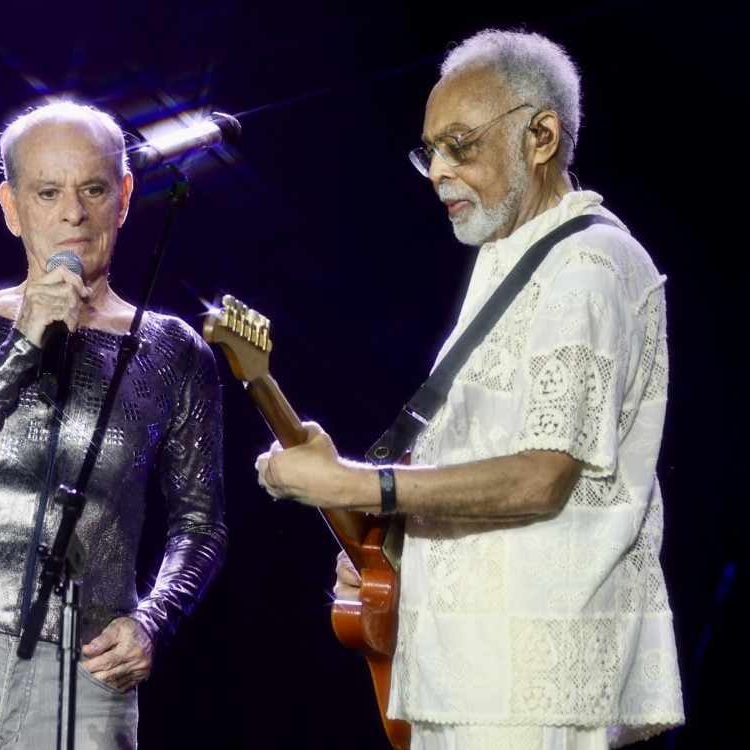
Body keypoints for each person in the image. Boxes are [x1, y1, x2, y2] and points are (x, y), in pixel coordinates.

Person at [256, 30, 683, 749]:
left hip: (528, 686)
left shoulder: (587, 266)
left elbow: (542, 477)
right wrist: (397, 550)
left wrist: (365, 486)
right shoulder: (515, 258)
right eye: (430, 151)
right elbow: (489, 466)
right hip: (473, 674)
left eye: (460, 145)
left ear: (541, 135)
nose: (438, 172)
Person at [0, 101, 228, 749]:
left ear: (122, 197)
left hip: (87, 672)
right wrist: (23, 345)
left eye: (92, 189)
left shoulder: (172, 351)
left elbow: (201, 526)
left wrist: (152, 620)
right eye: (47, 192)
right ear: (11, 207)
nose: (73, 213)